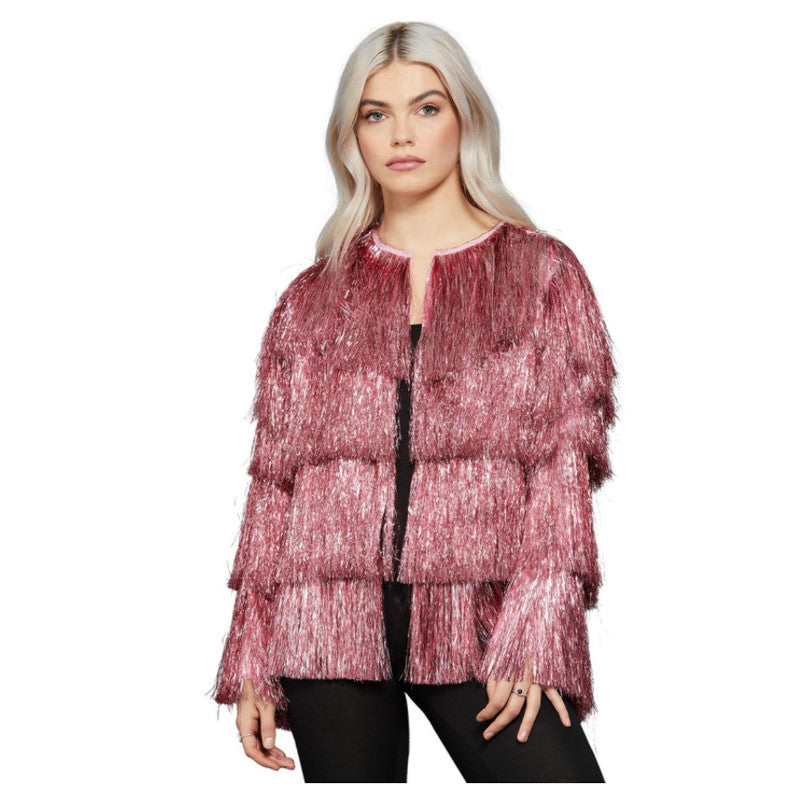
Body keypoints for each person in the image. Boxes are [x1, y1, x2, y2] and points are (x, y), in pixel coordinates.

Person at [210, 21, 617, 783]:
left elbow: (563, 472)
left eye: (427, 108)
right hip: (327, 627)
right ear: (351, 136)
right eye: (376, 114)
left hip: (480, 620)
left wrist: (538, 633)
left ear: (466, 118)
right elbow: (274, 491)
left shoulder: (541, 275)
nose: (401, 134)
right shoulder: (311, 299)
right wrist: (254, 653)